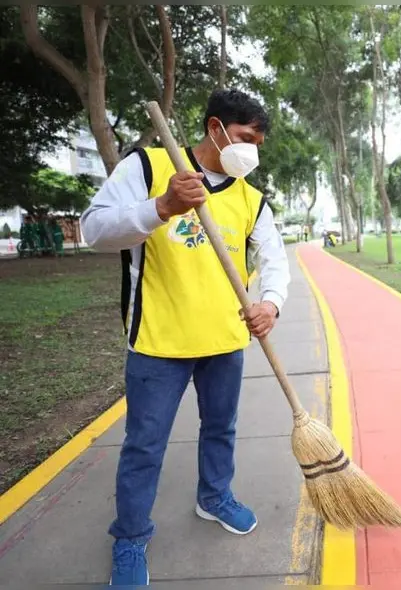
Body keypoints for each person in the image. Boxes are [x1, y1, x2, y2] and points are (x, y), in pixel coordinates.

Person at [80, 89, 289, 585]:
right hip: (158, 341)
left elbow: (273, 259)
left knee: (221, 429)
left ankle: (214, 497)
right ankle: (130, 538)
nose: (250, 151)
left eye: (257, 143)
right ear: (215, 128)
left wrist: (271, 303)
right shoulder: (147, 167)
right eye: (243, 138)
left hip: (224, 340)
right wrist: (162, 207)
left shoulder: (249, 196)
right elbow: (94, 229)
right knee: (144, 446)